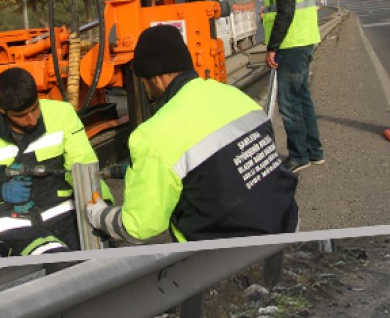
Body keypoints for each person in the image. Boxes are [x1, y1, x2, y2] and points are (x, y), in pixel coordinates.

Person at [87, 23, 299, 243]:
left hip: (233, 256)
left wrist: (99, 214)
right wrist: (132, 170)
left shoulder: (153, 136)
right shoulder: (234, 96)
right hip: (287, 222)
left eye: (143, 81)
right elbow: (217, 162)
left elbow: (138, 227)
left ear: (155, 78)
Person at [0, 67, 100, 257]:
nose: (31, 119)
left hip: (63, 214)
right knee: (55, 262)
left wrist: (101, 206)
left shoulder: (62, 115)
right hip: (13, 225)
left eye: (34, 109)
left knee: (98, 258)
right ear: (2, 110)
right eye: (20, 116)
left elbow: (84, 167)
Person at [242, 0, 325, 171]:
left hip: (292, 45)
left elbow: (286, 12)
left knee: (288, 103)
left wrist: (272, 48)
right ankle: (314, 151)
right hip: (302, 42)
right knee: (302, 99)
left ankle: (299, 156)